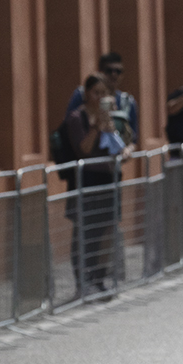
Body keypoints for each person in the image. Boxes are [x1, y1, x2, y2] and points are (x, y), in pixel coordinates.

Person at [66, 72, 130, 295]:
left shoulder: (114, 117)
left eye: (105, 93)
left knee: (106, 230)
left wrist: (111, 125)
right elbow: (83, 148)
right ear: (87, 94)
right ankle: (81, 280)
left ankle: (100, 277)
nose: (101, 97)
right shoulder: (76, 117)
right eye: (97, 93)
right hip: (85, 179)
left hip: (108, 177)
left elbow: (124, 145)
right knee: (83, 231)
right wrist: (96, 126)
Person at [66, 51, 138, 146]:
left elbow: (133, 139)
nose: (114, 75)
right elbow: (69, 126)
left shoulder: (127, 101)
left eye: (118, 71)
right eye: (109, 70)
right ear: (100, 72)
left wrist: (127, 150)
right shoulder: (82, 95)